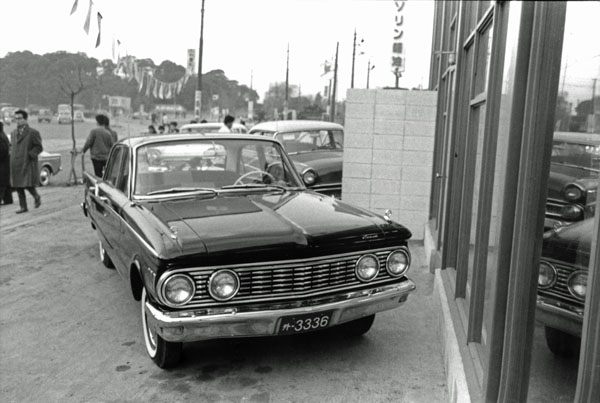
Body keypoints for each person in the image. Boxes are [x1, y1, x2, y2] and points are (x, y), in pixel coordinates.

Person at [10, 110, 42, 213]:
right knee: (18, 185)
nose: (17, 121)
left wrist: (30, 155)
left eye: (20, 118)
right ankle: (23, 206)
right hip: (15, 163)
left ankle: (36, 197)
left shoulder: (33, 133)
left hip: (26, 162)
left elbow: (39, 147)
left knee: (27, 184)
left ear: (25, 119)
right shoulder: (13, 133)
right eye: (16, 118)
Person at [0, 121, 13, 205]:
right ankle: (8, 199)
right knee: (5, 183)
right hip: (5, 163)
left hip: (2, 164)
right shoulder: (3, 135)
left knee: (1, 184)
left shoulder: (0, 137)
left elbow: (2, 151)